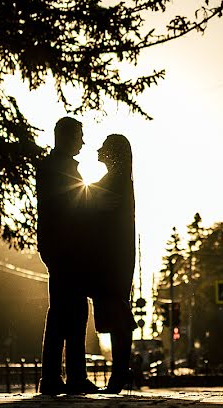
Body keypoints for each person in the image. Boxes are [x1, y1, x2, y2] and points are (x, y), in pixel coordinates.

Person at [37, 117, 99, 395]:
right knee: (71, 313)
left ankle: (58, 376)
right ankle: (66, 377)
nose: (83, 142)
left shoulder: (54, 166)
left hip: (60, 248)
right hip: (67, 250)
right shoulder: (59, 168)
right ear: (67, 136)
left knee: (64, 312)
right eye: (80, 136)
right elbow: (71, 211)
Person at [86, 134, 137, 393]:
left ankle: (119, 374)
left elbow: (88, 205)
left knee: (116, 315)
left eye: (104, 146)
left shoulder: (114, 184)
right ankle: (120, 372)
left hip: (111, 261)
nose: (98, 149)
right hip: (112, 260)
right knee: (115, 314)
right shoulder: (116, 182)